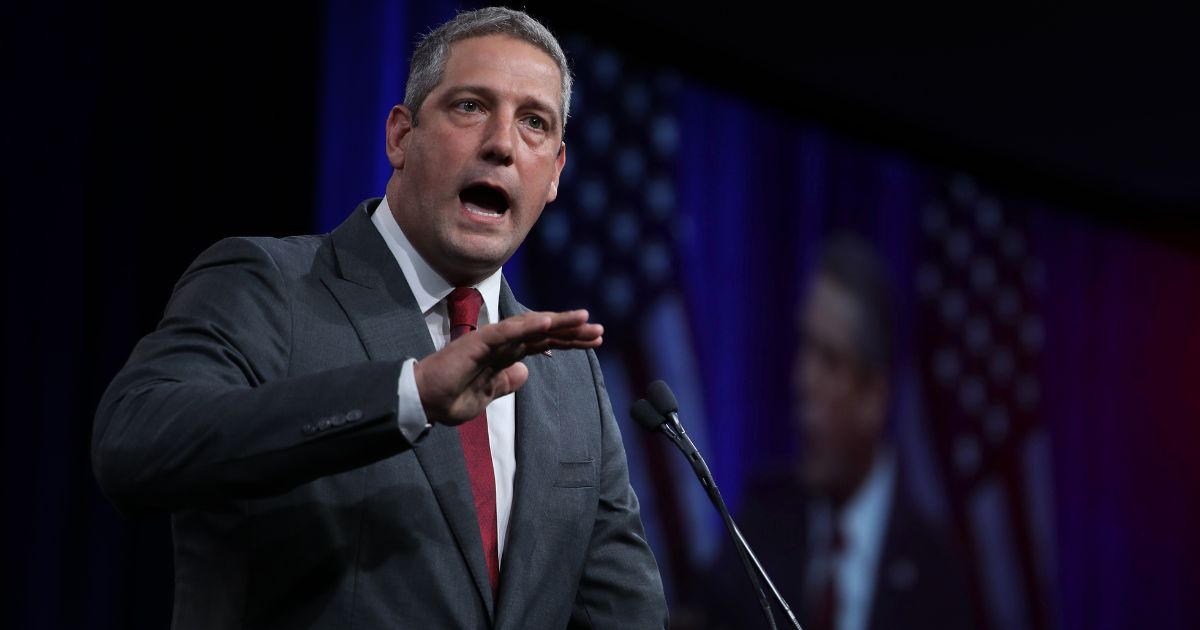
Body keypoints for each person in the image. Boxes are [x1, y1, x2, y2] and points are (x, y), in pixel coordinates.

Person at [92, 8, 667, 629]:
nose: (502, 144)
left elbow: (623, 612)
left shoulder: (569, 376)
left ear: (554, 173)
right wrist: (408, 396)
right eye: (470, 106)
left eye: (534, 122)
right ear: (400, 136)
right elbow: (134, 444)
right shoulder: (269, 285)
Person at [701, 235, 974, 630]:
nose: (802, 380)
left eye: (829, 361)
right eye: (804, 350)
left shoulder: (936, 571)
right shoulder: (759, 526)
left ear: (874, 397)